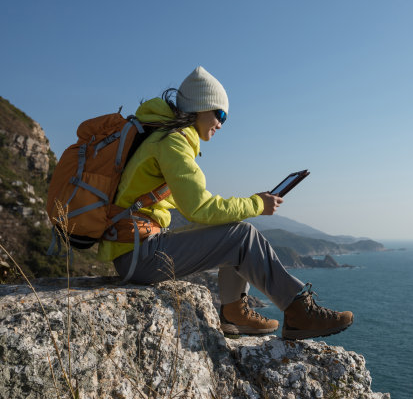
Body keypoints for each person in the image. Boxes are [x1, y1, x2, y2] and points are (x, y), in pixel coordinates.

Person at [97, 66, 353, 340]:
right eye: (219, 114)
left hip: (136, 250)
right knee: (241, 235)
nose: (221, 123)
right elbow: (200, 209)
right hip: (139, 256)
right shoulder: (173, 142)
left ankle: (233, 313)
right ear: (199, 106)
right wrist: (257, 204)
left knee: (232, 229)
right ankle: (298, 311)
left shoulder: (161, 136)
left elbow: (199, 210)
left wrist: (247, 207)